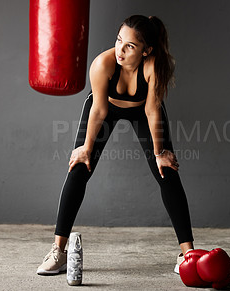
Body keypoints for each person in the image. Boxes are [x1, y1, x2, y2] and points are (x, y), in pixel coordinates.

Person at [37, 15, 194, 275]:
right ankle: (58, 251)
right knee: (78, 168)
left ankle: (189, 255)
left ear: (147, 50)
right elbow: (98, 110)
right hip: (105, 109)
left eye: (130, 46)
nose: (120, 50)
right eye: (119, 40)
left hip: (143, 112)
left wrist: (159, 154)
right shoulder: (102, 64)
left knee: (167, 171)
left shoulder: (154, 67)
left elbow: (153, 110)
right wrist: (86, 148)